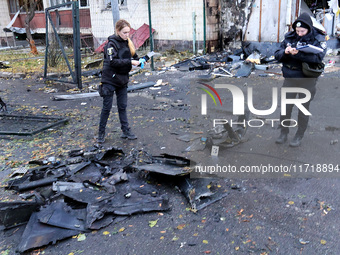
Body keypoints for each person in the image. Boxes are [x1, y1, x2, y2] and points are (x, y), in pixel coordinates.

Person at [274, 12, 327, 147]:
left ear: (308, 28)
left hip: (307, 80)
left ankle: (299, 135)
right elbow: (277, 54)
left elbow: (318, 58)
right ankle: (283, 132)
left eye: (302, 31)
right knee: (286, 108)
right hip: (290, 78)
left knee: (303, 108)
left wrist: (299, 54)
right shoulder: (289, 37)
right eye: (297, 30)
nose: (299, 33)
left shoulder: (317, 39)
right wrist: (285, 52)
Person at [97, 19, 146, 143]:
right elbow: (112, 61)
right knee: (106, 108)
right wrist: (130, 62)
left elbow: (135, 57)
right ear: (118, 31)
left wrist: (141, 61)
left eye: (128, 32)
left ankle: (126, 130)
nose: (127, 35)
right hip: (110, 79)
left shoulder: (128, 42)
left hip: (122, 79)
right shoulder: (111, 44)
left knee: (122, 107)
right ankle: (101, 133)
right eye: (124, 32)